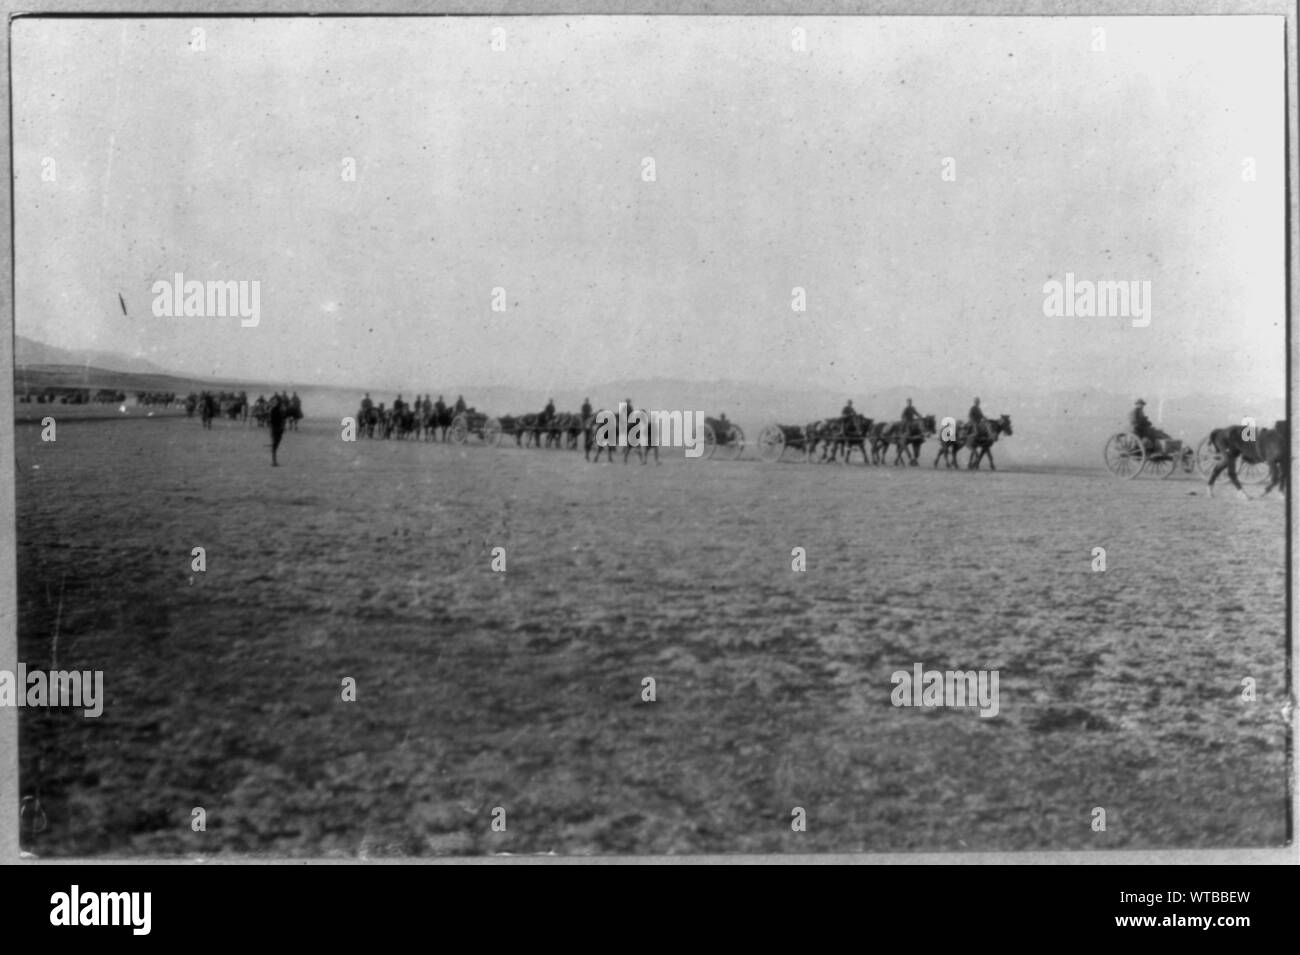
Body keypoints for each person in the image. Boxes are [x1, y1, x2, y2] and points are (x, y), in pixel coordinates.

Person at [268, 394, 286, 466]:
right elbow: (273, 420)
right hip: (276, 428)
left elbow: (282, 418)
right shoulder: (276, 409)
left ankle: (274, 461)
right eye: (274, 401)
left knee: (275, 444)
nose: (275, 402)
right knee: (275, 445)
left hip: (277, 428)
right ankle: (274, 461)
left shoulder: (278, 409)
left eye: (276, 401)